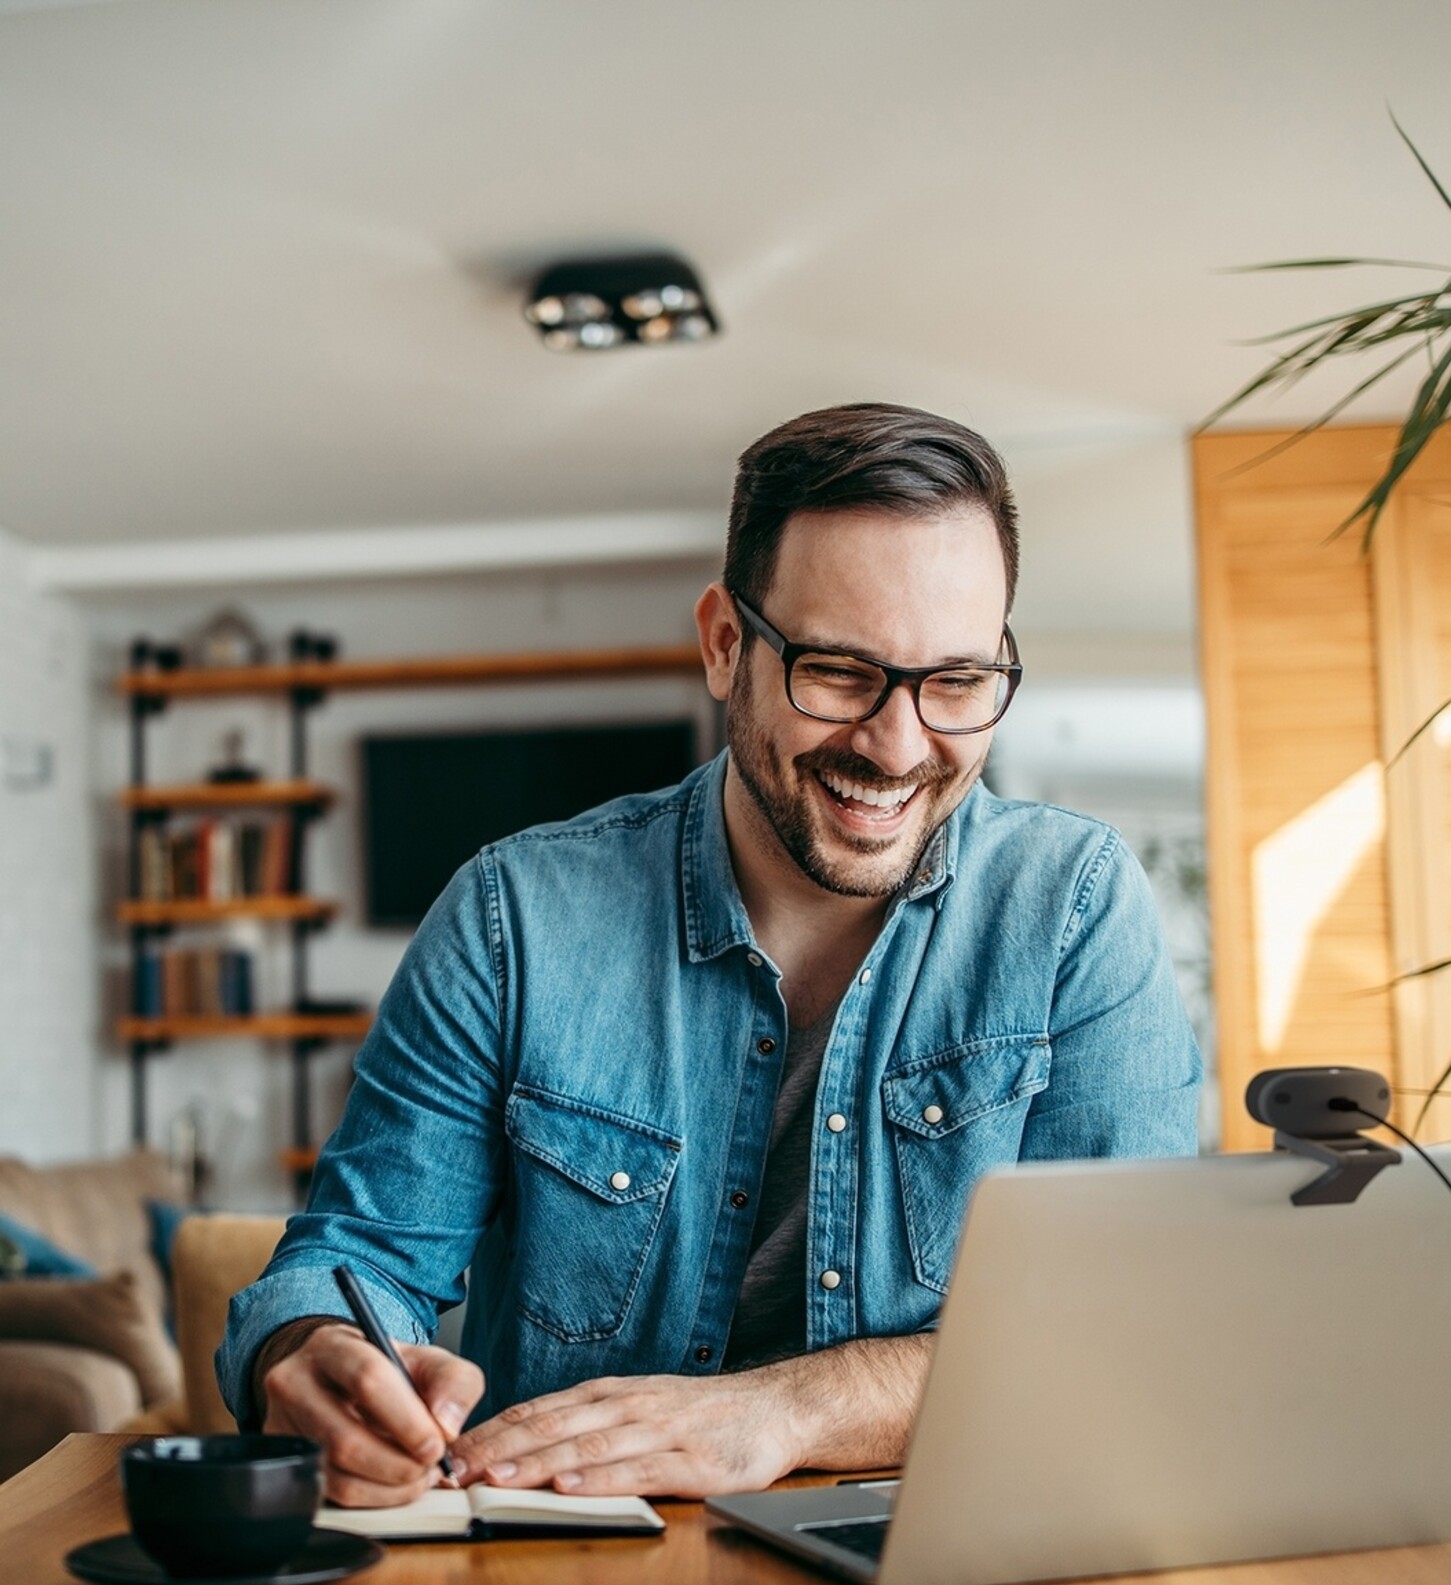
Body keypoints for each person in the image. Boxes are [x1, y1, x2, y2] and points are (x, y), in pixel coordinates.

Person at [218, 402, 1201, 1508]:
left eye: (958, 681)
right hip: (572, 1572)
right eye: (837, 671)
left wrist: (784, 1410)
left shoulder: (1070, 903)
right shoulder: (514, 915)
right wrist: (307, 1351)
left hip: (939, 1561)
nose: (897, 743)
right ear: (725, 643)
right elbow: (352, 1259)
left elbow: (1122, 1321)